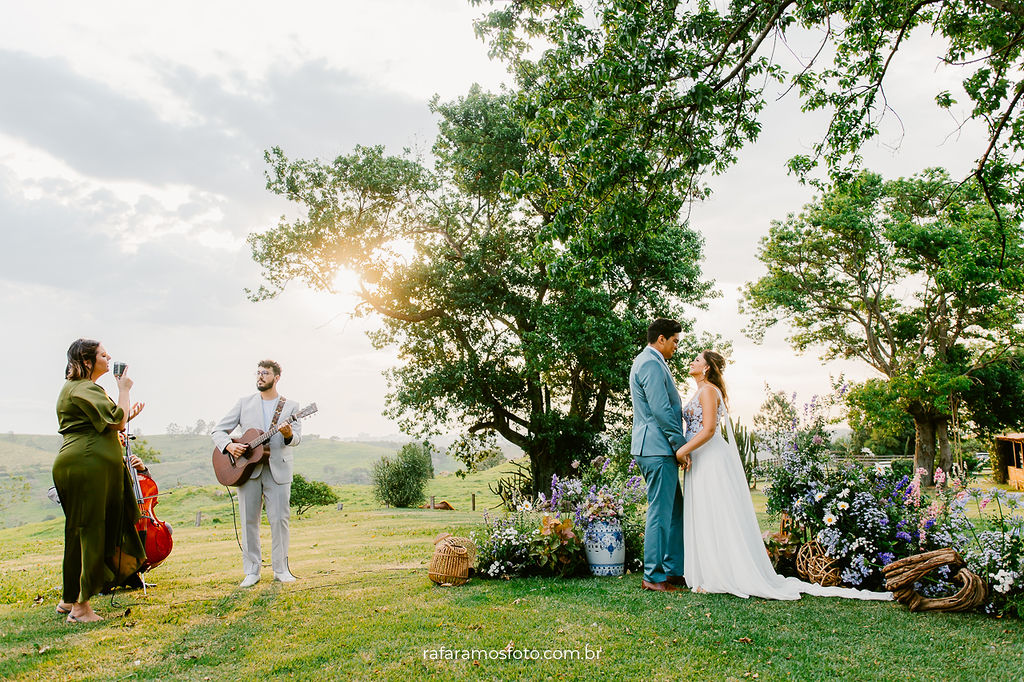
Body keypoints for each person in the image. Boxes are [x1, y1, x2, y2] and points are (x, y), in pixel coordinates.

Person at [675, 351, 892, 601]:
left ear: (707, 369)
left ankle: (721, 573)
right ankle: (708, 570)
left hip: (711, 458)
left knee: (716, 512)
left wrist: (682, 451)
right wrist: (688, 452)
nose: (692, 362)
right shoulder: (699, 391)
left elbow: (710, 429)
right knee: (705, 512)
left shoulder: (709, 391)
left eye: (697, 360)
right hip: (698, 457)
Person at [53, 339, 146, 623]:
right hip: (87, 464)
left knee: (79, 532)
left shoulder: (81, 389)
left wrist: (125, 411)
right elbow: (116, 421)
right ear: (87, 361)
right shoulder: (84, 388)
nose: (109, 358)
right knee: (93, 531)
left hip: (84, 462)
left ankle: (69, 599)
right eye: (104, 355)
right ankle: (82, 608)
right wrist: (124, 390)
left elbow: (107, 422)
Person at [211, 359, 302, 587]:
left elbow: (296, 439)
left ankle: (281, 570)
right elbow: (218, 430)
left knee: (279, 520)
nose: (260, 376)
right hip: (247, 469)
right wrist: (229, 446)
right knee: (248, 520)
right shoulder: (244, 403)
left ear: (277, 377)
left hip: (278, 468)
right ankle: (252, 571)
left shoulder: (291, 406)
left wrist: (289, 433)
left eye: (265, 373)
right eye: (258, 373)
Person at [629, 318, 689, 592]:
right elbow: (661, 410)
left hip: (654, 446)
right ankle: (653, 576)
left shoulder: (648, 361)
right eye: (675, 341)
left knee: (675, 510)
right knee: (660, 512)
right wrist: (680, 446)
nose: (676, 346)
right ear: (661, 338)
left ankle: (674, 569)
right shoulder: (651, 363)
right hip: (658, 447)